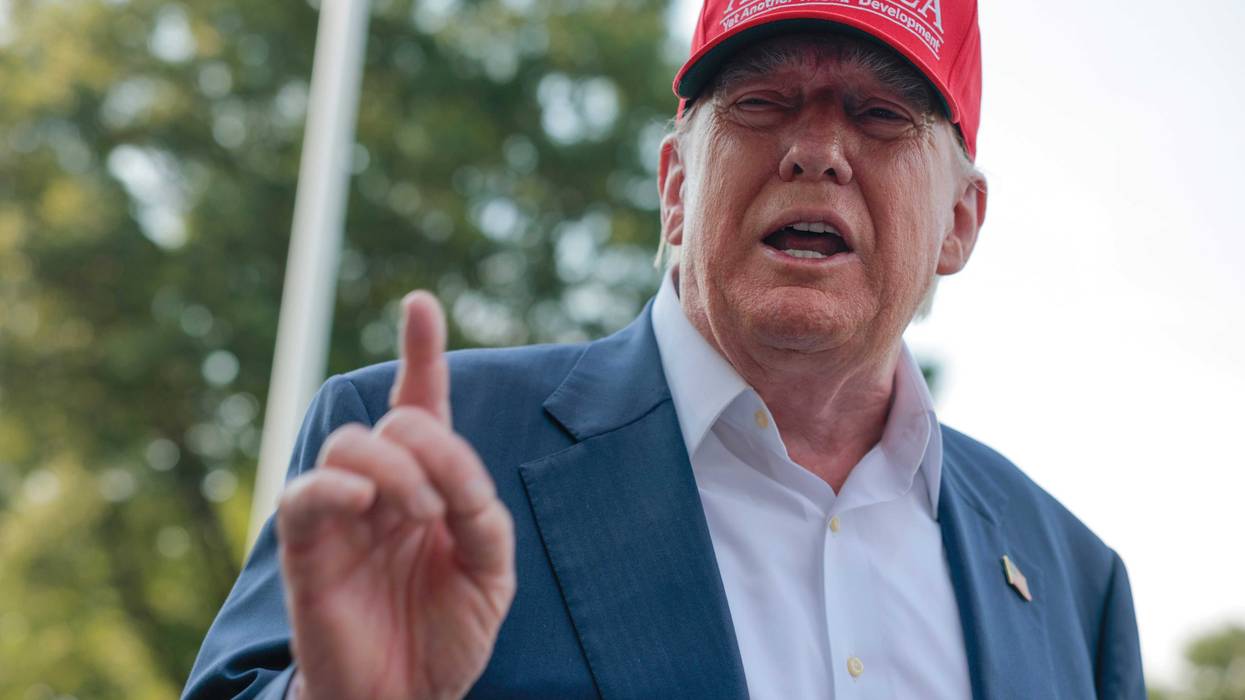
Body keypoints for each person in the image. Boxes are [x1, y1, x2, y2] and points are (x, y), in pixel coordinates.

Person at [184, 0, 1146, 698]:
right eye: (763, 102)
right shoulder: (418, 450)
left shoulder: (1074, 580)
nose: (816, 151)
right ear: (677, 184)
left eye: (881, 114)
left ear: (960, 222)